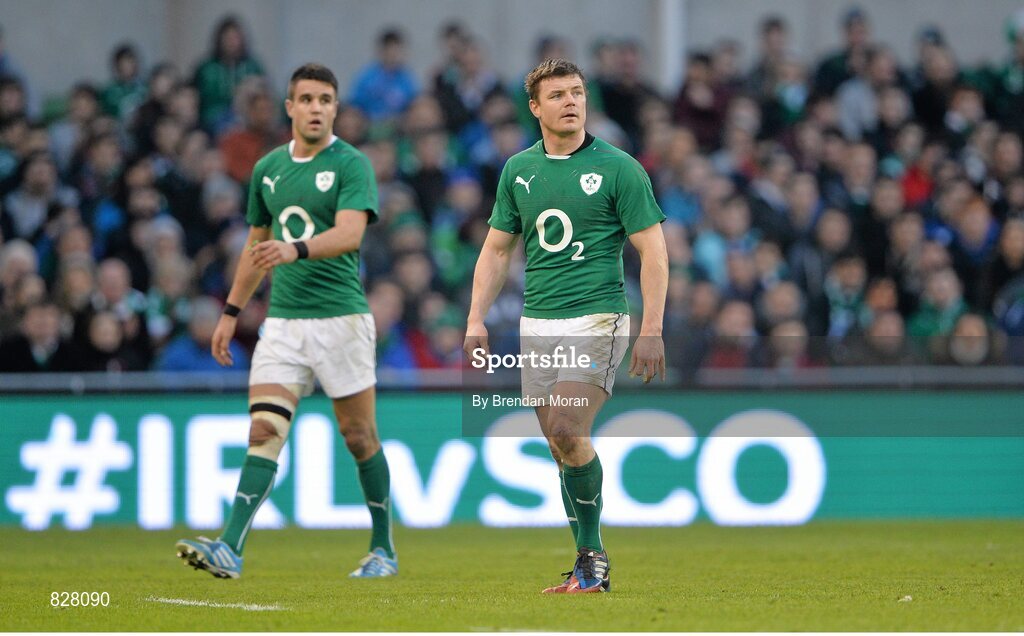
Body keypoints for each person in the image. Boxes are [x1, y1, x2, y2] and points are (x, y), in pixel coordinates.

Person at [175, 63, 396, 579]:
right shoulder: (268, 168)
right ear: (289, 107)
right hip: (284, 323)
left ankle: (383, 547)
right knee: (263, 429)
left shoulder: (351, 164)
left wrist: (293, 249)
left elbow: (349, 234)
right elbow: (256, 248)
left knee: (360, 436)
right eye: (307, 99)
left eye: (325, 99)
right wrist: (230, 312)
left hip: (342, 320)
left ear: (335, 108)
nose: (316, 108)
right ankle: (230, 548)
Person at [463, 59, 668, 594]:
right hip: (538, 322)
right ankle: (585, 565)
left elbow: (654, 252)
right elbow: (496, 250)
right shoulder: (517, 171)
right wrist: (475, 318)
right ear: (535, 107)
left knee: (566, 430)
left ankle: (594, 559)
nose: (571, 102)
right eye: (557, 95)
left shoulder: (620, 167)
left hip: (599, 315)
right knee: (560, 448)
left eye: (577, 92)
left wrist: (652, 328)